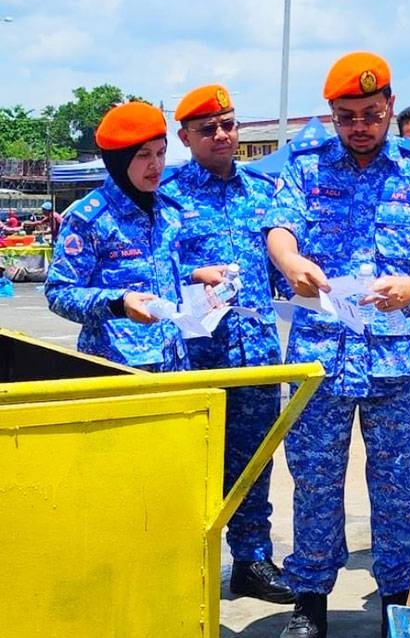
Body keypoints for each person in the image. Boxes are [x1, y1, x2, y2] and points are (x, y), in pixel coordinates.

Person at [265, 51, 410, 638]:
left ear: (391, 108)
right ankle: (310, 600)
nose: (359, 125)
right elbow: (280, 228)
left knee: (398, 483)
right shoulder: (305, 166)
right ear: (331, 115)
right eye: (347, 115)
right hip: (320, 355)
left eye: (371, 114)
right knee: (315, 480)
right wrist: (291, 259)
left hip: (396, 356)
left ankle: (399, 598)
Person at [159, 84, 293, 604]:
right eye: (208, 129)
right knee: (192, 465)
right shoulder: (167, 196)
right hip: (195, 358)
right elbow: (153, 271)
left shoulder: (264, 192)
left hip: (255, 353)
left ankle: (253, 561)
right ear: (185, 137)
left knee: (254, 462)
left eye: (229, 124)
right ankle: (189, 563)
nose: (222, 136)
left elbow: (281, 273)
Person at [45, 101, 188, 372]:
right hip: (116, 367)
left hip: (174, 363)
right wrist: (118, 303)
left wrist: (196, 276)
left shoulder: (168, 212)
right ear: (120, 160)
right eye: (143, 155)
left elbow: (165, 274)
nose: (156, 165)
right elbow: (59, 292)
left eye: (161, 153)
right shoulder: (91, 219)